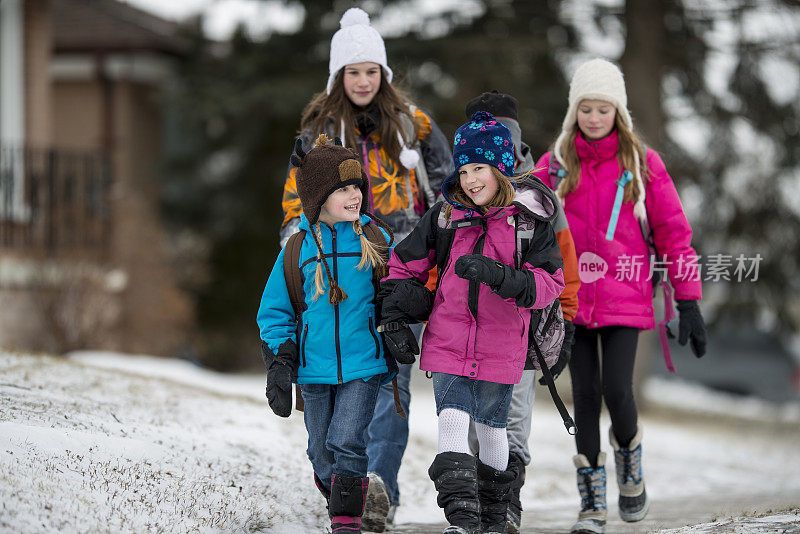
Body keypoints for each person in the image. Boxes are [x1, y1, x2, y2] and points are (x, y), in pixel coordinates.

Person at [279, 8, 452, 531]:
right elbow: (294, 204)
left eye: (371, 71)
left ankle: (381, 491)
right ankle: (342, 480)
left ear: (384, 75)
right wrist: (295, 257)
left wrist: (442, 249)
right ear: (338, 77)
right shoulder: (316, 134)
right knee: (335, 383)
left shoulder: (413, 125)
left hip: (402, 268)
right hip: (336, 272)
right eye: (352, 71)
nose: (362, 81)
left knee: (390, 380)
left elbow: (450, 189)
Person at [533, 58, 707, 534]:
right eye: (585, 108)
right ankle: (591, 505)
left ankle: (630, 460)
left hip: (625, 296)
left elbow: (673, 231)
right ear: (574, 112)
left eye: (602, 109)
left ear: (618, 113)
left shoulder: (642, 163)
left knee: (616, 391)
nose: (593, 118)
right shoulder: (555, 163)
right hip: (573, 299)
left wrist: (688, 300)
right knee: (585, 396)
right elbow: (530, 228)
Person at [379, 111, 566, 534]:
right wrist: (395, 310)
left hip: (503, 347)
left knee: (491, 430)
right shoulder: (445, 216)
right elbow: (403, 264)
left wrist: (501, 276)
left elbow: (549, 284)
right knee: (453, 419)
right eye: (463, 169)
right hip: (448, 339)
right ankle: (462, 517)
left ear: (501, 168)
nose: (469, 179)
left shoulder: (528, 222)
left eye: (479, 168)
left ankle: (494, 516)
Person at [257, 135, 395, 534]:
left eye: (357, 187)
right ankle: (343, 490)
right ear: (319, 196)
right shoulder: (297, 248)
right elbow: (274, 310)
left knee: (347, 440)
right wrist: (281, 359)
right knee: (320, 451)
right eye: (344, 189)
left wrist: (398, 325)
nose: (355, 196)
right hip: (313, 368)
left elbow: (398, 292)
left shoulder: (376, 239)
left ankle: (346, 521)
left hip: (364, 363)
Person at [463, 91, 580, 534]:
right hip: (470, 329)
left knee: (511, 415)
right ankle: (481, 501)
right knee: (475, 421)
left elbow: (563, 261)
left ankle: (507, 503)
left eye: (503, 131)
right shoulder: (463, 192)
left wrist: (565, 323)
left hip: (523, 327)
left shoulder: (539, 197)